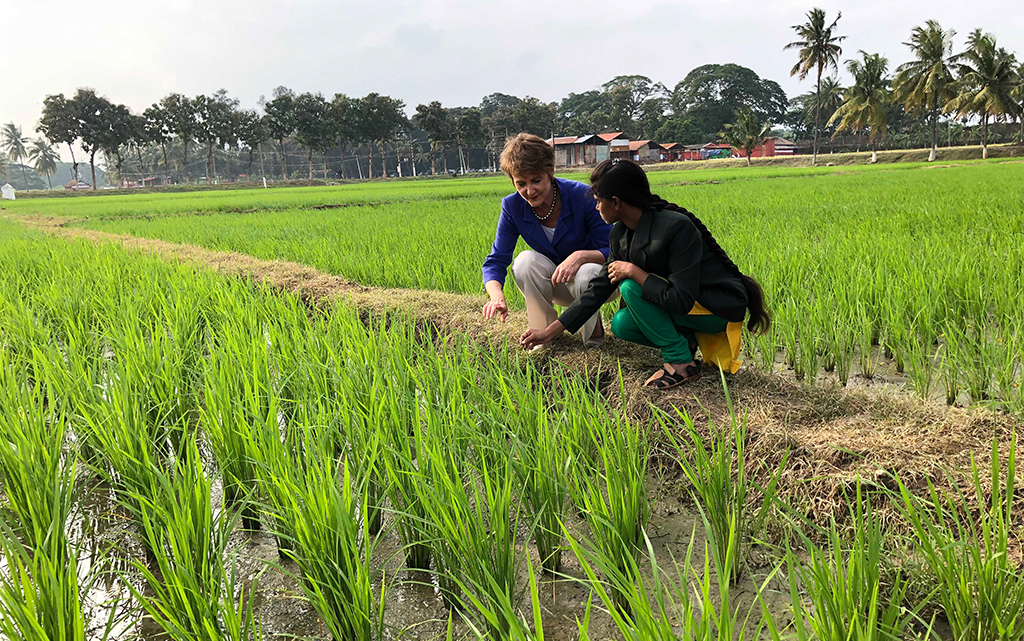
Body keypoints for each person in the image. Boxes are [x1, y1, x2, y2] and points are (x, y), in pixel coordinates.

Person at [520, 159, 771, 389]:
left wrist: (633, 271)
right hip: (686, 307)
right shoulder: (620, 234)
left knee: (629, 286)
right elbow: (597, 290)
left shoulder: (675, 228)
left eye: (598, 201)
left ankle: (680, 363)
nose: (596, 207)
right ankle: (687, 341)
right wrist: (549, 332)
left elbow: (681, 299)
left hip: (714, 307)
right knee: (622, 324)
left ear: (616, 202)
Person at [482, 133, 614, 346]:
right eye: (521, 183)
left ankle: (594, 338)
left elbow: (617, 250)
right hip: (558, 283)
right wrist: (496, 295)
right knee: (524, 262)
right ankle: (543, 336)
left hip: (598, 283)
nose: (529, 191)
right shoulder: (512, 206)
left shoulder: (582, 196)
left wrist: (581, 256)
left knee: (585, 272)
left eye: (536, 180)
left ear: (550, 171)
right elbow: (496, 260)